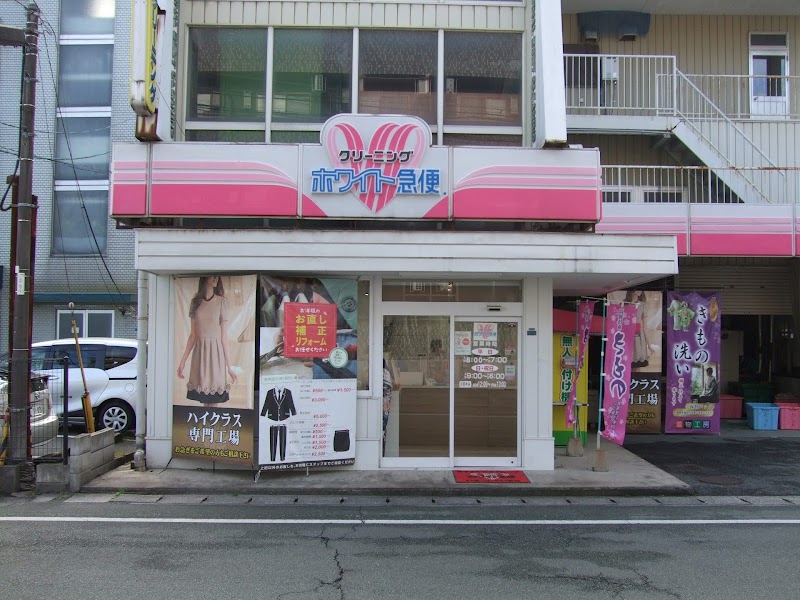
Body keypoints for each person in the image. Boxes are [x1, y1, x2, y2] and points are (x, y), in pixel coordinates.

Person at [177, 276, 238, 404]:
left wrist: (229, 367)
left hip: (216, 354)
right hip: (200, 354)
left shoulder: (221, 302)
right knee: (204, 399)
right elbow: (193, 335)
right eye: (213, 275)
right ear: (205, 278)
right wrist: (182, 362)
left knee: (215, 398)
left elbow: (224, 337)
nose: (216, 278)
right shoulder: (195, 303)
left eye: (217, 276)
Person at [627, 290, 655, 369]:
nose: (639, 291)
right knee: (626, 364)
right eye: (637, 288)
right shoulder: (624, 304)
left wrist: (649, 345)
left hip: (639, 337)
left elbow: (645, 327)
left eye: (641, 289)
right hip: (626, 335)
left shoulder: (643, 305)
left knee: (638, 362)